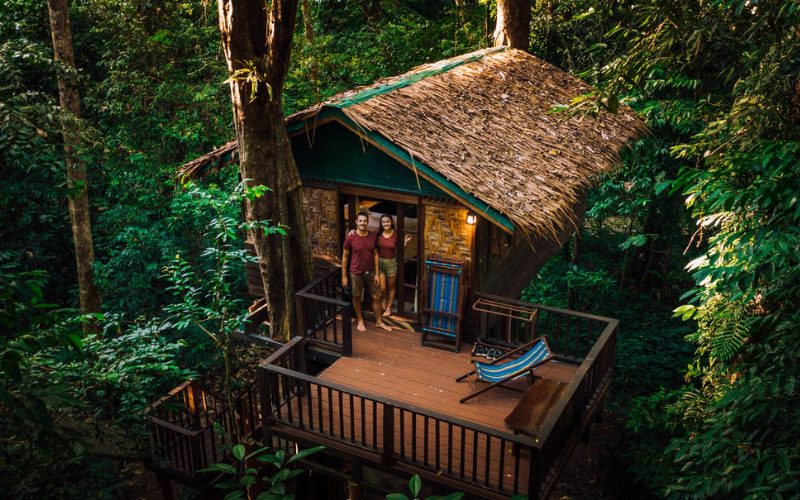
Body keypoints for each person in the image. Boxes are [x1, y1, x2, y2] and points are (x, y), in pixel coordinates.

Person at [342, 211, 392, 332]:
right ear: (356, 222)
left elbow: (375, 254)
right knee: (356, 296)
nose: (362, 223)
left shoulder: (372, 236)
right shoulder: (351, 237)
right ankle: (360, 320)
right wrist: (344, 276)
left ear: (368, 222)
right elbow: (345, 256)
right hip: (356, 272)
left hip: (370, 272)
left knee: (377, 296)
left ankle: (379, 321)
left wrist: (377, 273)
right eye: (360, 221)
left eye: (365, 221)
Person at [375, 213, 409, 317]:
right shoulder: (378, 233)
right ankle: (384, 298)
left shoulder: (396, 234)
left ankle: (389, 307)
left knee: (391, 287)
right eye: (383, 222)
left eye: (387, 222)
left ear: (392, 222)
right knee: (382, 288)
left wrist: (405, 242)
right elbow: (366, 237)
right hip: (379, 262)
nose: (385, 224)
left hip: (391, 263)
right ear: (381, 223)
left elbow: (400, 250)